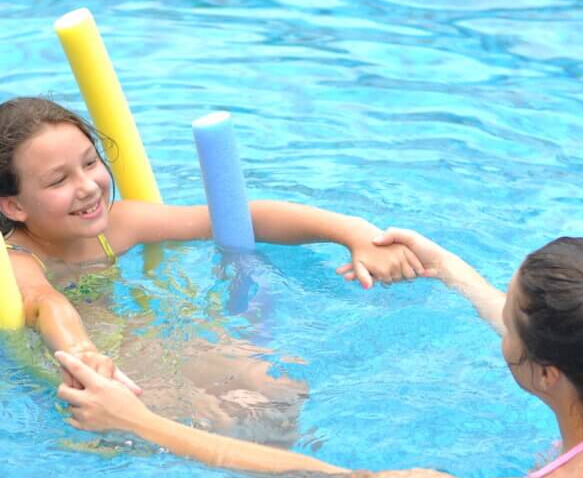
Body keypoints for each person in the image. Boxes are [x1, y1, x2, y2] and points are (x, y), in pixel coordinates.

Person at [55, 231, 583, 478]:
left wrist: (140, 422)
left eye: (508, 324)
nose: (500, 326)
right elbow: (528, 323)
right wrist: (444, 267)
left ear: (547, 372)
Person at [0, 97, 423, 391]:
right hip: (85, 365)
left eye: (90, 163)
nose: (88, 187)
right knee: (231, 409)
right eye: (59, 180)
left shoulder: (119, 227)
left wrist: (352, 232)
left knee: (278, 387)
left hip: (132, 341)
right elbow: (46, 303)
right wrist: (84, 356)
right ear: (14, 206)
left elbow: (236, 217)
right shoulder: (14, 260)